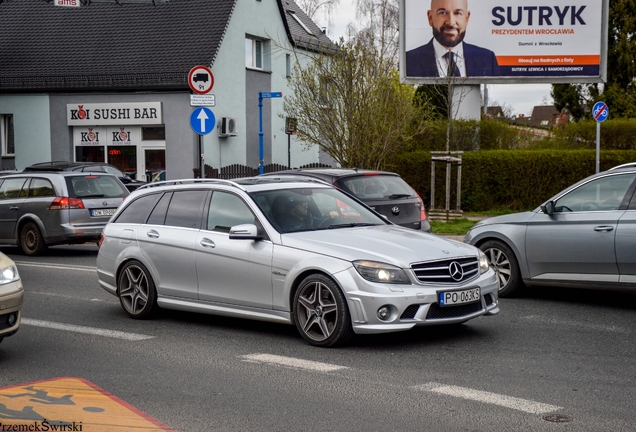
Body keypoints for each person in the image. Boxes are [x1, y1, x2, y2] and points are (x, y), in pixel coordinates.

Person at [405, 0, 500, 77]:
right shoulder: (408, 61)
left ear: (467, 18)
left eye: (458, 13)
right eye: (442, 13)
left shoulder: (487, 59)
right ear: (430, 18)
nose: (450, 22)